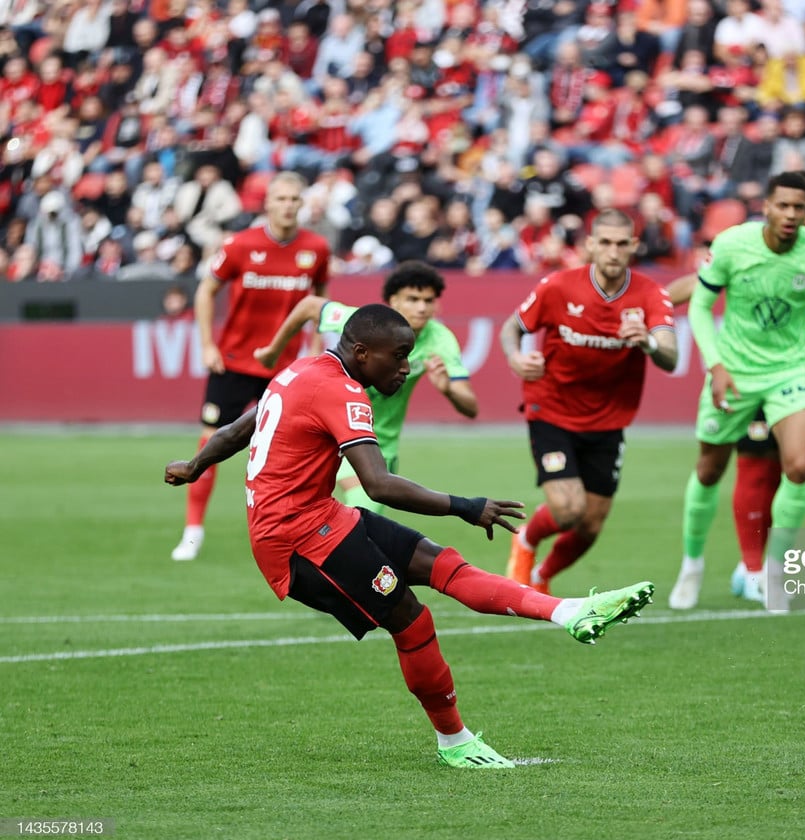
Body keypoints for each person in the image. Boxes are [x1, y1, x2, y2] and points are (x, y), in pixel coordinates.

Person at [164, 304, 655, 769]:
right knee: (412, 621)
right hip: (295, 543)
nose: (406, 367)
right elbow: (378, 484)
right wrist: (465, 506)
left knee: (443, 564)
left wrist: (193, 464)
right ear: (362, 353)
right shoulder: (341, 391)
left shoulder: (301, 370)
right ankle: (455, 743)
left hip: (323, 517)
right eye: (398, 356)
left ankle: (569, 611)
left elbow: (238, 430)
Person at [668, 171, 805, 611]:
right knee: (709, 470)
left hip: (791, 372)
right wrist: (716, 366)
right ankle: (692, 565)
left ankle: (772, 572)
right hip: (734, 371)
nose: (791, 214)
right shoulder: (733, 244)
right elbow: (700, 305)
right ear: (767, 207)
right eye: (783, 205)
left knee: (799, 467)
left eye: (800, 208)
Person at [501, 209, 678, 594]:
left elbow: (670, 355)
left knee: (591, 524)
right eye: (606, 243)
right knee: (569, 509)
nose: (613, 251)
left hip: (608, 419)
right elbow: (512, 327)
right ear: (591, 245)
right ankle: (526, 538)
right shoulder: (558, 286)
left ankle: (542, 576)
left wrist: (648, 341)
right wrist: (516, 358)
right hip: (551, 409)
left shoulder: (649, 293)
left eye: (622, 244)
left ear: (633, 245)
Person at [171, 171, 331, 562]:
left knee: (291, 453)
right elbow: (206, 291)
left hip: (284, 369)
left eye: (294, 199)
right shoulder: (240, 245)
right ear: (267, 203)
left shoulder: (317, 248)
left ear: (302, 204)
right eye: (281, 199)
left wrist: (315, 348)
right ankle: (192, 532)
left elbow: (321, 301)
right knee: (211, 444)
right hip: (234, 363)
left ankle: (294, 531)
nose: (288, 206)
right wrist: (207, 344)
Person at [254, 261, 477, 513]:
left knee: (359, 519)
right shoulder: (365, 324)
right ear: (393, 300)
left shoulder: (440, 339)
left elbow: (470, 407)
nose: (422, 308)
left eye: (428, 300)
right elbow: (309, 305)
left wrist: (448, 390)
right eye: (413, 299)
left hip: (380, 444)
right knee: (359, 514)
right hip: (336, 433)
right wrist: (272, 352)